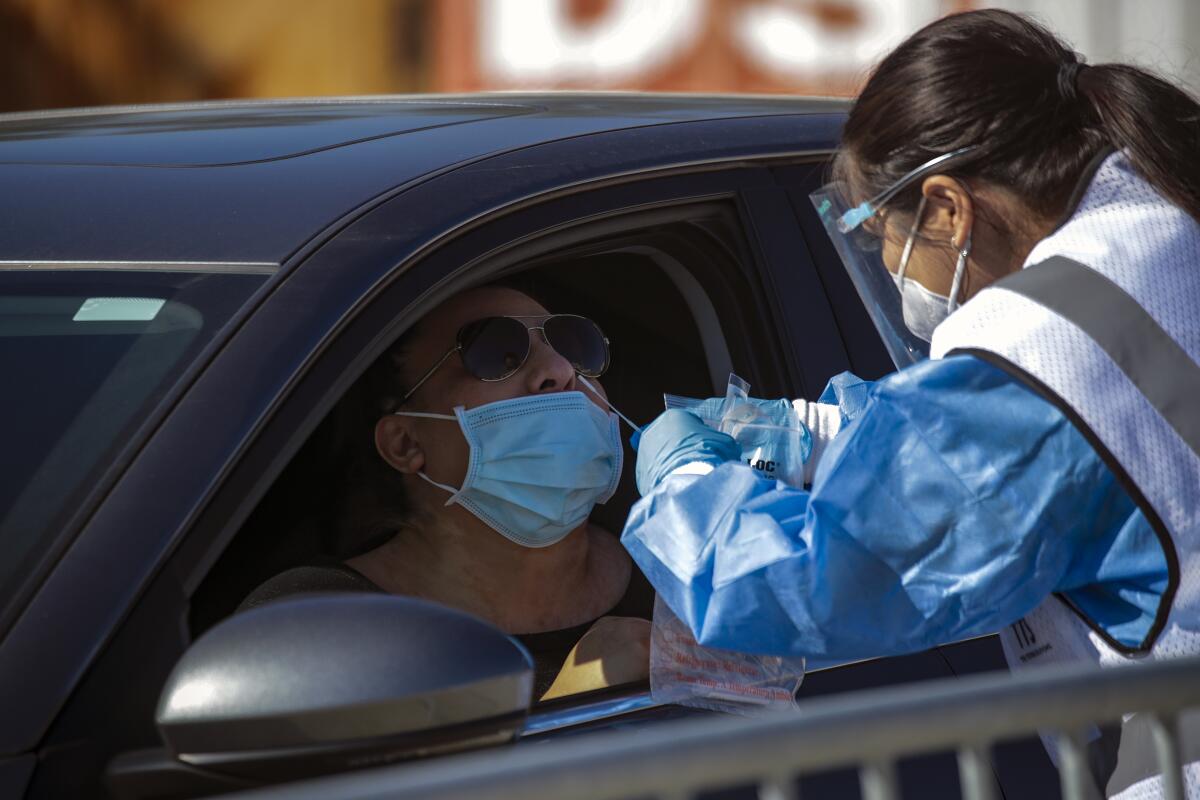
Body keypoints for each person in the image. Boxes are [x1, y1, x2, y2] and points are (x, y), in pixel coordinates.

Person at [622, 9, 1199, 797]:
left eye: (880, 236)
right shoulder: (1164, 220)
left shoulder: (1034, 351)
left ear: (949, 208)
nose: (892, 270)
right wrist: (815, 430)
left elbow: (819, 586)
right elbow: (1079, 440)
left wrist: (684, 481)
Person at [242, 284, 653, 700]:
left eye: (574, 345)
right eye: (496, 352)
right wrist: (570, 709)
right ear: (406, 443)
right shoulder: (313, 627)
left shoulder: (688, 566)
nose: (561, 368)